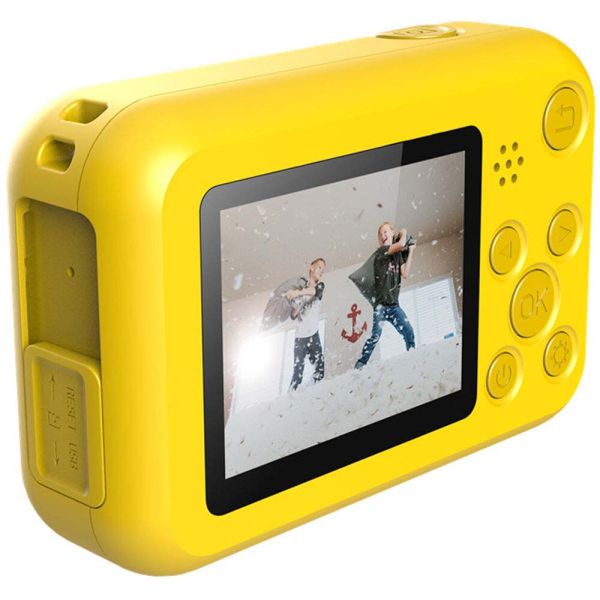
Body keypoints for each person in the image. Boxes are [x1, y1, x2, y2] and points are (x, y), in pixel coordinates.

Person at [353, 222, 416, 369]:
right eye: (380, 234)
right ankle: (360, 365)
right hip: (380, 307)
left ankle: (413, 355)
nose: (383, 235)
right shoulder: (381, 251)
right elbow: (401, 244)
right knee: (375, 336)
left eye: (386, 232)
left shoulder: (398, 255)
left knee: (408, 331)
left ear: (392, 233)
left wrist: (411, 251)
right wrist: (404, 231)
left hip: (394, 306)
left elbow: (405, 273)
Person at [287, 258, 326, 391]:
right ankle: (290, 397)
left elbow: (316, 292)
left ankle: (312, 393)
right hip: (300, 338)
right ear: (311, 267)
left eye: (323, 270)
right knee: (297, 374)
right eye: (319, 267)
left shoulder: (320, 286)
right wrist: (294, 299)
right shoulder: (300, 292)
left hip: (313, 336)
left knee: (320, 371)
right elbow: (293, 315)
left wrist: (297, 293)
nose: (321, 271)